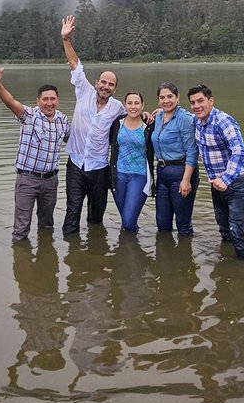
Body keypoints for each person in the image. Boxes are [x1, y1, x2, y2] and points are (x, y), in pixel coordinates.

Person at [0, 61, 70, 242]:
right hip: (27, 179)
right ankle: (21, 260)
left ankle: (46, 260)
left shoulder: (62, 120)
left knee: (47, 225)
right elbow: (10, 102)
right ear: (38, 101)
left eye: (53, 99)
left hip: (51, 181)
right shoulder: (28, 115)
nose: (49, 103)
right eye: (45, 99)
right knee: (21, 229)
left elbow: (74, 141)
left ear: (58, 100)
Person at [59, 14, 125, 236]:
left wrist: (149, 115)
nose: (106, 86)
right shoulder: (84, 91)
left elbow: (134, 118)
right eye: (103, 82)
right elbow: (75, 64)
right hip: (76, 164)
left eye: (111, 84)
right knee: (72, 211)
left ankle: (95, 257)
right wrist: (66, 40)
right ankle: (72, 254)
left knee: (97, 216)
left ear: (115, 89)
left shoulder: (118, 108)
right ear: (96, 83)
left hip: (99, 169)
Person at [188, 84, 244, 260]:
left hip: (236, 183)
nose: (197, 106)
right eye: (193, 103)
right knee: (224, 230)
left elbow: (240, 151)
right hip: (216, 185)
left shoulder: (223, 121)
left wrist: (225, 179)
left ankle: (243, 272)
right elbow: (181, 115)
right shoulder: (197, 121)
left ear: (211, 101)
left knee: (237, 230)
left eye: (200, 101)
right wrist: (158, 112)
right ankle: (228, 267)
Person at [149, 82, 199, 236]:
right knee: (162, 223)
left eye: (170, 96)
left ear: (178, 98)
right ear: (158, 100)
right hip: (163, 173)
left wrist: (186, 180)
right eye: (162, 98)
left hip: (181, 172)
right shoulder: (158, 117)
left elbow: (192, 151)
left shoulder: (184, 119)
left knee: (183, 224)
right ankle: (165, 256)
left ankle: (185, 256)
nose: (166, 101)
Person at [108, 91, 152, 232]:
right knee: (126, 219)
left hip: (139, 176)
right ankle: (128, 247)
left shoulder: (149, 126)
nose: (133, 107)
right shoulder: (117, 123)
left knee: (128, 221)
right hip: (118, 175)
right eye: (130, 103)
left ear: (142, 105)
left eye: (137, 103)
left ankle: (130, 249)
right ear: (124, 105)